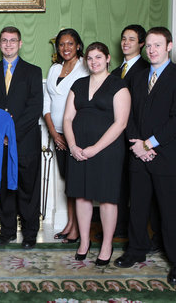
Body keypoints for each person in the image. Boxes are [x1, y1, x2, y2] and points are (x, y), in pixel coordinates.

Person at [114, 27, 176, 286]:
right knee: (136, 208)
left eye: (157, 45)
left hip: (167, 157)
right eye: (148, 45)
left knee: (173, 213)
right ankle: (136, 251)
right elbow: (128, 116)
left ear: (170, 46)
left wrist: (149, 144)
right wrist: (138, 145)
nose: (151, 50)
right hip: (138, 155)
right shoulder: (137, 78)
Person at [63, 42, 130, 265]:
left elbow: (120, 124)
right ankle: (84, 242)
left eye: (98, 57)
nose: (94, 62)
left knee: (107, 198)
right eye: (90, 58)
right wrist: (73, 147)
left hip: (107, 150)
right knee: (82, 196)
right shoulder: (78, 84)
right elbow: (68, 118)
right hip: (79, 149)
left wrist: (95, 149)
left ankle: (107, 245)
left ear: (108, 58)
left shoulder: (118, 85)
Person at [0, 26, 43, 249]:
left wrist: (11, 132)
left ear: (20, 43)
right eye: (4, 40)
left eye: (13, 40)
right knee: (4, 189)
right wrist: (0, 133)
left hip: (25, 141)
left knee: (28, 188)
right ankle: (7, 232)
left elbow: (35, 108)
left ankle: (30, 233)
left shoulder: (33, 72)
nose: (8, 44)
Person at [43, 28, 88, 244]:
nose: (65, 48)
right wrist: (53, 132)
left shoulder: (86, 68)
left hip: (77, 134)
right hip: (57, 133)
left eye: (70, 44)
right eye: (61, 44)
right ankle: (70, 224)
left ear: (78, 45)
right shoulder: (54, 69)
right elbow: (47, 102)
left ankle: (77, 228)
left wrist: (68, 136)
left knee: (76, 182)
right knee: (68, 182)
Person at [109, 24, 149, 240]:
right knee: (119, 185)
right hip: (116, 139)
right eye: (124, 38)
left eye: (131, 39)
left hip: (135, 138)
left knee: (137, 190)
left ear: (141, 43)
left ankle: (137, 235)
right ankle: (119, 227)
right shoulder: (115, 72)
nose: (125, 43)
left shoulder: (146, 69)